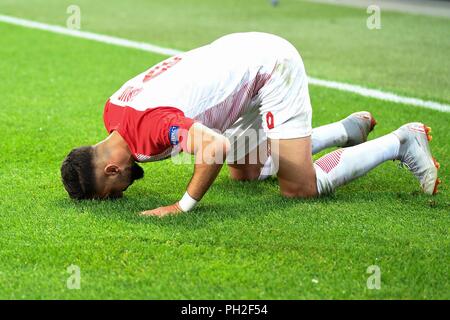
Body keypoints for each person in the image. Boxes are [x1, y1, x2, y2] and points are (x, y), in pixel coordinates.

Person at [61, 32, 440, 217]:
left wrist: (183, 206)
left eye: (112, 192)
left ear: (111, 169)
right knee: (245, 174)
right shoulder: (112, 110)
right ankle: (345, 131)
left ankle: (401, 141)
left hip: (269, 69)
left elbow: (214, 148)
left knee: (298, 188)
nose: (120, 195)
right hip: (235, 61)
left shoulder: (152, 129)